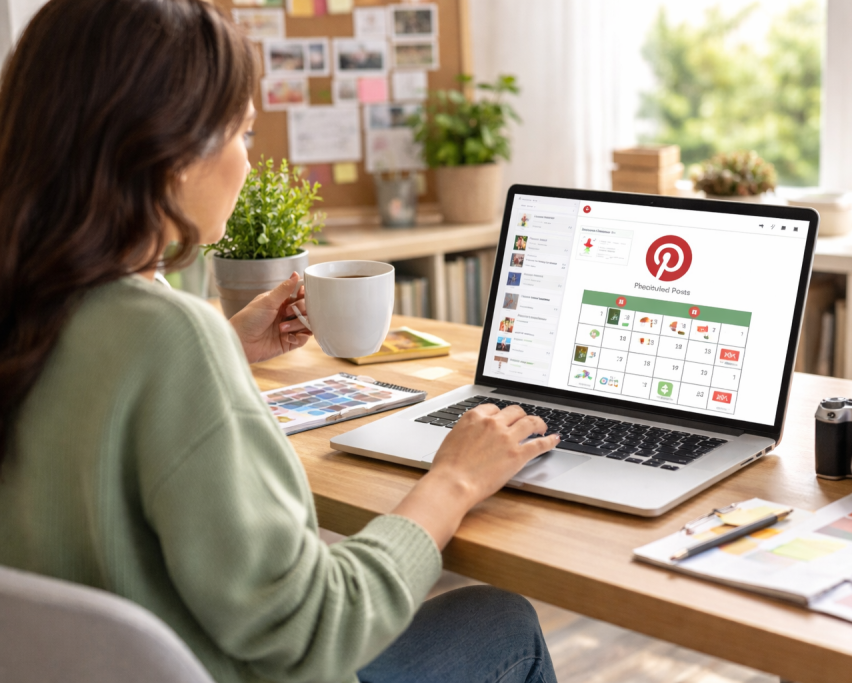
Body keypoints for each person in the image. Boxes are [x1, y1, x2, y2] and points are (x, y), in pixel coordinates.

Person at [0, 2, 559, 683]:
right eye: (241, 131)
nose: (247, 157)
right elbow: (317, 628)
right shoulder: (167, 334)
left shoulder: (36, 303)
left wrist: (223, 350)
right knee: (504, 620)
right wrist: (454, 479)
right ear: (169, 153)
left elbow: (85, 411)